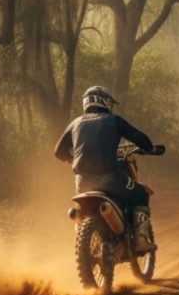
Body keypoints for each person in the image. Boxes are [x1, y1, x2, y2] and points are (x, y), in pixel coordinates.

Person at [54, 85, 157, 254]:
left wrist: (74, 159)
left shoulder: (76, 122)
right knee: (141, 193)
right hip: (111, 180)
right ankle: (140, 241)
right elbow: (143, 140)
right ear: (105, 102)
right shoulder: (114, 120)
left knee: (81, 211)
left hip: (82, 183)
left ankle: (84, 245)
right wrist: (148, 147)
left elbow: (58, 152)